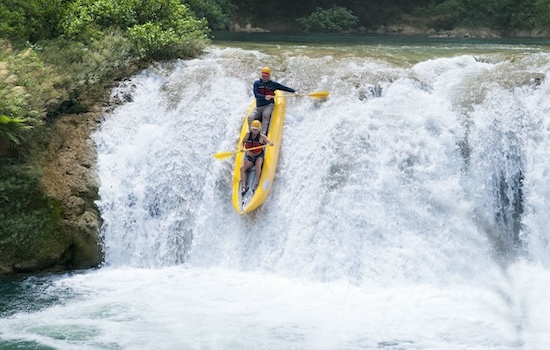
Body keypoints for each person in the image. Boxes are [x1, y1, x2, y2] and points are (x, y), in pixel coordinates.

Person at [249, 67, 298, 134]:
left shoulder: (273, 84)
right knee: (250, 117)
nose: (264, 78)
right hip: (258, 107)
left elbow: (284, 87)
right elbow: (256, 94)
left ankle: (263, 134)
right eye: (263, 76)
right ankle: (251, 134)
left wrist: (294, 91)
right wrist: (265, 97)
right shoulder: (257, 83)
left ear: (269, 76)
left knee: (265, 115)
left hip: (268, 105)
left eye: (266, 76)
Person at [240, 120, 274, 196]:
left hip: (258, 155)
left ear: (259, 129)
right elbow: (243, 142)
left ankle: (256, 183)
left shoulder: (261, 136)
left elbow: (268, 141)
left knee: (258, 164)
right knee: (242, 168)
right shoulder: (248, 134)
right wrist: (242, 148)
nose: (254, 131)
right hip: (250, 156)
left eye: (255, 129)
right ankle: (244, 187)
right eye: (253, 129)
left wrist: (270, 143)